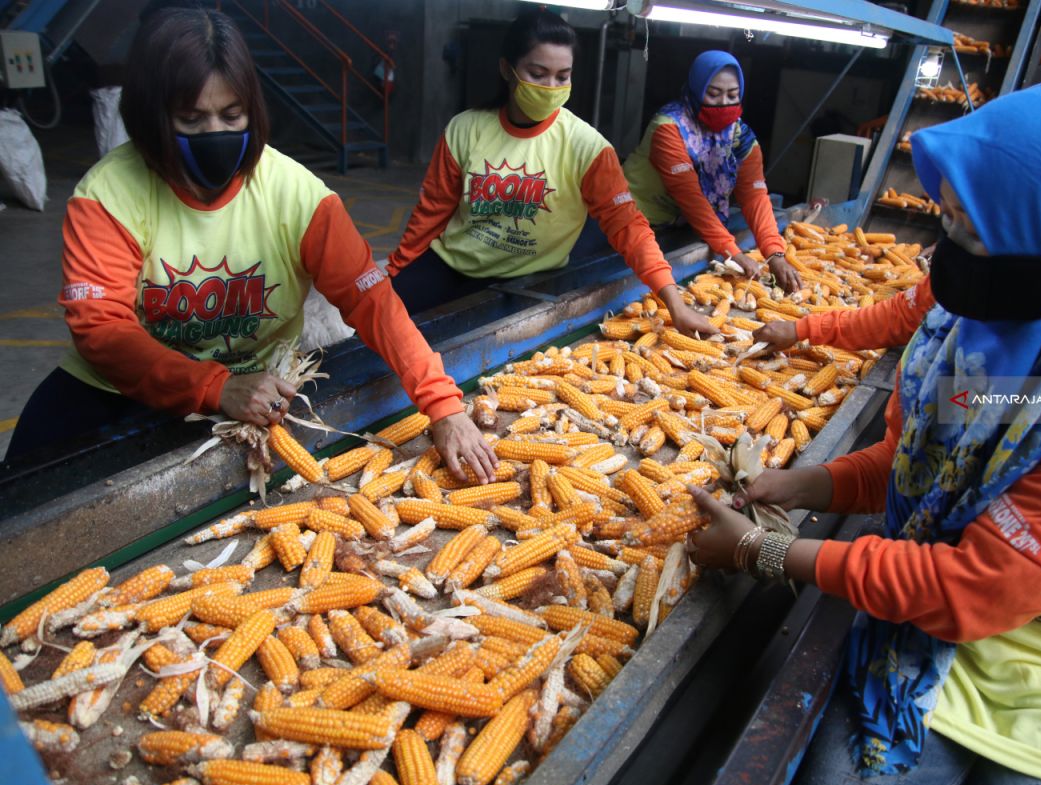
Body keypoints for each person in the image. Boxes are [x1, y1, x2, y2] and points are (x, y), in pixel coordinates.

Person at [685, 83, 1041, 785]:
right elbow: (926, 464)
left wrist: (764, 550)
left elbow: (978, 589)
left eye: (971, 227)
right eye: (947, 218)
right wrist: (809, 484)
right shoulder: (977, 328)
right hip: (921, 650)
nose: (943, 251)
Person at [5, 7, 497, 483]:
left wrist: (443, 405)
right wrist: (214, 386)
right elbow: (102, 330)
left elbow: (372, 302)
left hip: (259, 389)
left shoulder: (296, 195)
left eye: (231, 115)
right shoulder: (108, 196)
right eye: (191, 120)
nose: (214, 134)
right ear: (152, 117)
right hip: (120, 390)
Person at [752, 88, 1041, 354]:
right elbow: (907, 313)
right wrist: (803, 327)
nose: (952, 241)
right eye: (949, 218)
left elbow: (990, 415)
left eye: (972, 225)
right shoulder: (996, 257)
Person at [388, 9, 714, 337]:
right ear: (507, 69)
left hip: (528, 281)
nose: (551, 86)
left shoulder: (587, 146)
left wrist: (674, 301)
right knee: (379, 335)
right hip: (452, 266)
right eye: (538, 73)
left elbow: (628, 226)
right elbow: (430, 214)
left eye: (562, 76)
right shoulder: (465, 129)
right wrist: (391, 276)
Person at [622, 50, 796, 292]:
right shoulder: (669, 128)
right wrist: (732, 251)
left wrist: (774, 253)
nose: (724, 103)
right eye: (713, 94)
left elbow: (755, 196)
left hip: (683, 225)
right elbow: (691, 198)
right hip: (636, 220)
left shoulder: (740, 138)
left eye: (732, 95)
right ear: (696, 89)